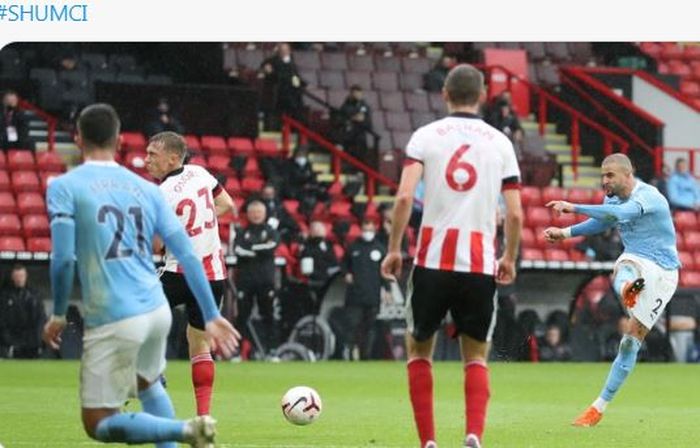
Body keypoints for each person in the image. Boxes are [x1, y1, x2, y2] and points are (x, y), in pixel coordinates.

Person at [42, 103, 240, 447]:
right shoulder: (160, 186)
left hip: (122, 304)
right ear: (118, 139)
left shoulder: (68, 185)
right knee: (162, 373)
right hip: (195, 282)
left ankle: (180, 429)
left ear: (77, 139)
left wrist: (59, 313)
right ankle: (195, 420)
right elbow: (207, 234)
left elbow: (62, 260)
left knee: (98, 422)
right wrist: (211, 313)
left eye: (152, 154)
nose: (147, 159)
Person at [381, 64, 523, 448]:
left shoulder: (426, 136)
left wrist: (395, 248)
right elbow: (514, 213)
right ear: (481, 96)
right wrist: (508, 256)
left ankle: (428, 441)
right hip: (478, 264)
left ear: (444, 93)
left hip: (432, 261)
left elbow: (405, 197)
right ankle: (473, 434)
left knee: (418, 348)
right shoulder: (500, 143)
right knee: (476, 355)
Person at [543, 152, 680, 427]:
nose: (604, 180)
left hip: (664, 272)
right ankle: (597, 409)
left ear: (627, 175)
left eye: (610, 175)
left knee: (632, 339)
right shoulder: (612, 198)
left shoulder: (648, 196)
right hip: (638, 260)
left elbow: (618, 214)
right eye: (603, 175)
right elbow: (603, 221)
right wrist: (566, 233)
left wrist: (573, 206)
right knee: (622, 268)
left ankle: (630, 290)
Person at [144, 131, 236, 417]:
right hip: (213, 276)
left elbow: (156, 244)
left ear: (173, 158)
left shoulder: (159, 194)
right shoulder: (200, 173)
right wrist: (199, 228)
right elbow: (227, 205)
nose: (146, 160)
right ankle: (204, 417)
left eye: (152, 155)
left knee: (135, 317)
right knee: (199, 344)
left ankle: (152, 372)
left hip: (178, 272)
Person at [233, 200, 281, 359]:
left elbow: (271, 246)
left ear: (265, 213)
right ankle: (237, 352)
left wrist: (252, 248)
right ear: (248, 213)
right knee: (242, 316)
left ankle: (272, 351)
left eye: (259, 212)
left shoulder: (271, 231)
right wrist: (259, 248)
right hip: (245, 281)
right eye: (253, 212)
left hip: (265, 280)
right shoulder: (242, 231)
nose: (256, 215)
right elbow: (238, 249)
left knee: (268, 315)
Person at [343, 218, 389, 360]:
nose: (367, 233)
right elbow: (344, 264)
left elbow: (385, 271)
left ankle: (366, 356)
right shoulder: (353, 247)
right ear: (361, 230)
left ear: (374, 230)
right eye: (365, 230)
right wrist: (346, 274)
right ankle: (349, 354)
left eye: (370, 230)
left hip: (372, 295)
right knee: (352, 326)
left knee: (369, 328)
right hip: (354, 295)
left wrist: (386, 289)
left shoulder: (380, 249)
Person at [0, 264, 46, 358]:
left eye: (21, 276)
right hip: (12, 340)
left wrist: (38, 340)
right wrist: (8, 341)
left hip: (31, 341)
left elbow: (40, 319)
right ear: (12, 277)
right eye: (17, 276)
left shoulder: (34, 295)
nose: (19, 279)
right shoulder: (4, 296)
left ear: (26, 276)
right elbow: (2, 321)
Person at [259, 43, 305, 129]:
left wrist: (299, 84)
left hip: (291, 94)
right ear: (279, 51)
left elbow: (294, 77)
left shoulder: (291, 64)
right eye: (282, 50)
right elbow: (269, 72)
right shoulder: (272, 61)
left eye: (286, 50)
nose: (284, 52)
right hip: (277, 94)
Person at [338, 85, 375, 168]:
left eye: (359, 94)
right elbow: (340, 120)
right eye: (355, 94)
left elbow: (369, 123)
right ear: (351, 94)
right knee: (348, 159)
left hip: (360, 138)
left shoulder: (365, 107)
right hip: (348, 137)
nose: (357, 96)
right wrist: (353, 118)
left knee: (360, 160)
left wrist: (363, 119)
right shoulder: (345, 106)